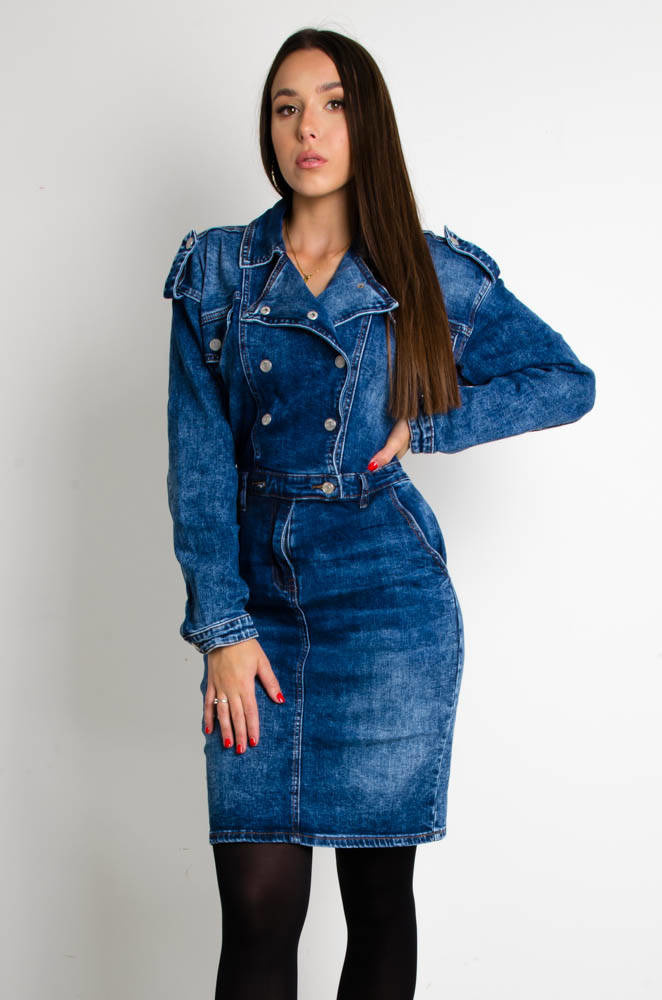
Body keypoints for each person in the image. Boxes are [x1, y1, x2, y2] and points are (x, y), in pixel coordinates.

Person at [163, 27, 596, 1000]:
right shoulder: (218, 271)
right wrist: (222, 629)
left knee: (376, 896)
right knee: (258, 905)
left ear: (367, 124)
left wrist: (432, 423)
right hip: (257, 615)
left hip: (389, 612)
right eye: (286, 108)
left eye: (331, 104)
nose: (307, 128)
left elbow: (566, 381)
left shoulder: (427, 270)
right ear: (268, 130)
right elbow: (198, 466)